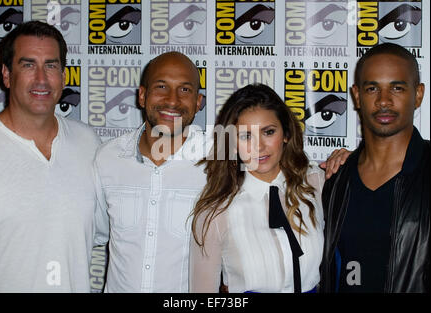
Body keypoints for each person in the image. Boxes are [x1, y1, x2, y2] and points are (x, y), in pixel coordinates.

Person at [0, 21, 101, 292]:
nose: (41, 79)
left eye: (50, 65)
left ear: (64, 75)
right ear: (7, 74)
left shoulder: (89, 144)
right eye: (27, 65)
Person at [190, 84, 325, 293]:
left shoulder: (316, 182)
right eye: (246, 136)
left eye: (268, 132)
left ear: (286, 134)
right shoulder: (215, 212)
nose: (259, 146)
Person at [319, 43, 429, 293]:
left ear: (418, 94)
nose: (384, 101)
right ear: (357, 96)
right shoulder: (337, 179)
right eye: (372, 88)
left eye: (397, 88)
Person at [94, 51, 207, 292]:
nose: (172, 100)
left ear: (198, 102)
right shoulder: (107, 159)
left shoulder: (217, 163)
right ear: (142, 96)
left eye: (185, 90)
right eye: (161, 87)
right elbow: (98, 231)